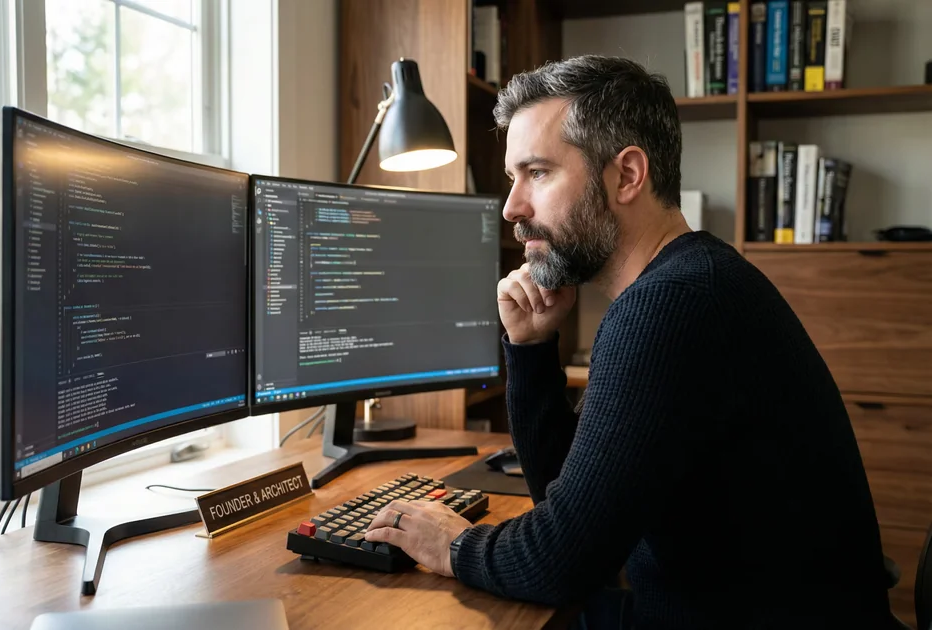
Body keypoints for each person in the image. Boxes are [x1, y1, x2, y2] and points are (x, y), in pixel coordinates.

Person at [365, 55, 898, 629]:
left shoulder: (670, 306)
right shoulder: (690, 280)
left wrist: (453, 547)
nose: (513, 207)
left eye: (537, 173)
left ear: (626, 175)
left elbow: (561, 562)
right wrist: (531, 349)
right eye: (512, 179)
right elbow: (573, 506)